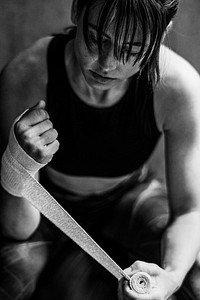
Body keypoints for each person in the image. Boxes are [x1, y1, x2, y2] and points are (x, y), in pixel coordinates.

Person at [1, 0, 200, 299]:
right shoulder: (27, 76)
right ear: (77, 10)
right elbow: (17, 229)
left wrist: (170, 278)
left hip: (127, 195)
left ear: (160, 35)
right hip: (46, 206)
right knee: (8, 281)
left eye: (131, 50)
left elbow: (189, 210)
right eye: (96, 39)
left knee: (193, 277)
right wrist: (21, 165)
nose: (106, 64)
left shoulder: (178, 88)